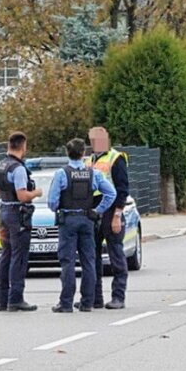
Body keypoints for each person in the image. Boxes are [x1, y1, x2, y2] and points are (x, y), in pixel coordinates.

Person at [48, 138, 116, 313]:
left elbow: (52, 202)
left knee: (68, 262)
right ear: (84, 153)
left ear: (67, 153)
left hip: (68, 220)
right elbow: (111, 194)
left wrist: (59, 208)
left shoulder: (62, 174)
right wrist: (98, 210)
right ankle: (87, 302)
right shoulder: (94, 174)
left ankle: (66, 303)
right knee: (89, 261)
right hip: (87, 220)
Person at [0, 132, 43, 312]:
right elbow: (22, 196)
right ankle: (16, 299)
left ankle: (1, 299)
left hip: (3, 211)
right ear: (23, 146)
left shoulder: (0, 166)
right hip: (17, 214)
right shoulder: (18, 169)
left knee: (6, 255)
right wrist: (36, 193)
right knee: (19, 257)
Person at [85, 126, 130, 310]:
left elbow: (122, 189)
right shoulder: (88, 160)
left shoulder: (116, 158)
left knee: (116, 256)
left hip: (111, 211)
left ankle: (118, 297)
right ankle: (96, 297)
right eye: (93, 139)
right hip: (93, 212)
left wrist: (117, 215)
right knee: (92, 257)